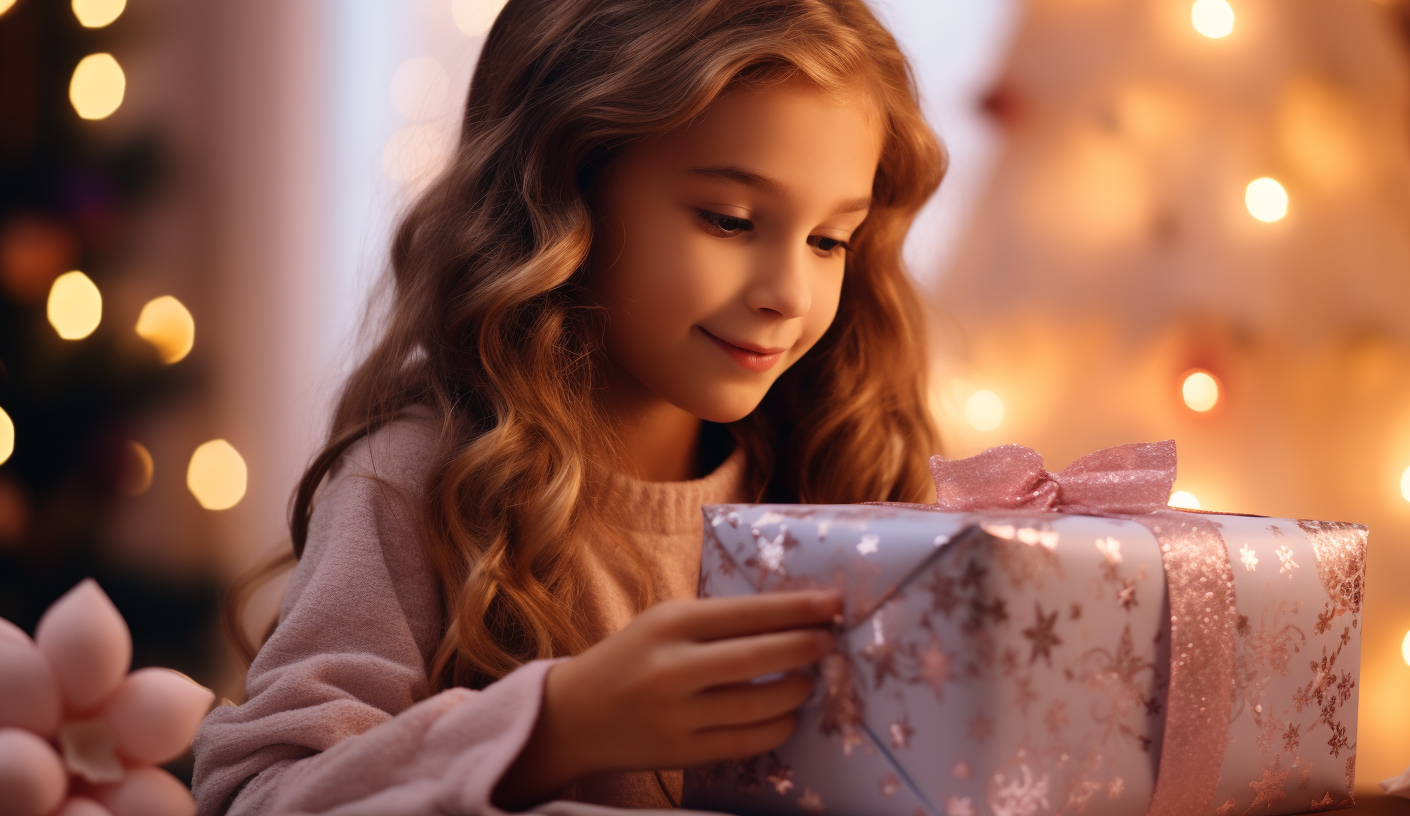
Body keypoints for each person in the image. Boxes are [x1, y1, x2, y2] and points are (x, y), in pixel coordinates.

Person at [191, 0, 945, 813]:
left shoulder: (829, 479)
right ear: (561, 194)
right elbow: (255, 794)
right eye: (728, 220)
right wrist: (554, 729)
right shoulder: (414, 485)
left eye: (829, 239)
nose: (790, 294)